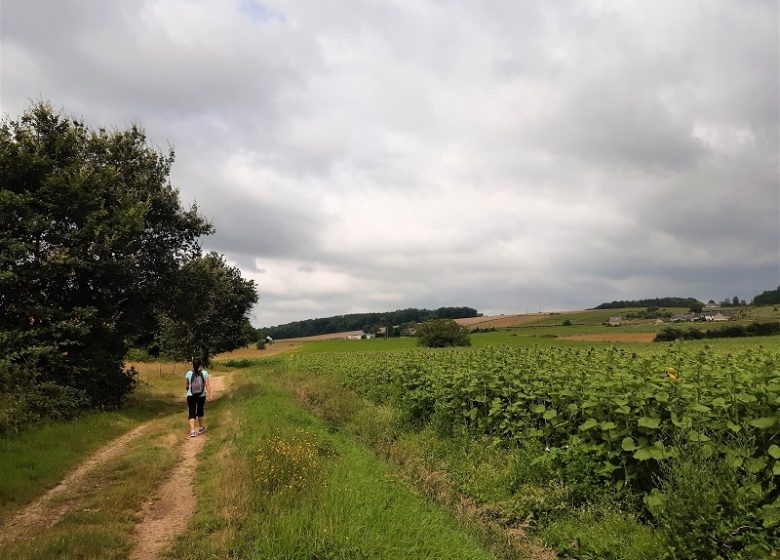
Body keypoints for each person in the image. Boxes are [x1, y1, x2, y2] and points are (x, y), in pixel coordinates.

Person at [185, 357, 212, 438]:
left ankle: (192, 431)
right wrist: (210, 394)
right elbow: (207, 385)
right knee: (200, 410)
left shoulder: (188, 373)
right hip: (201, 395)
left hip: (191, 395)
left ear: (193, 364)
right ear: (200, 364)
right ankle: (201, 428)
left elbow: (186, 385)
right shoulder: (205, 373)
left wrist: (188, 391)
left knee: (191, 412)